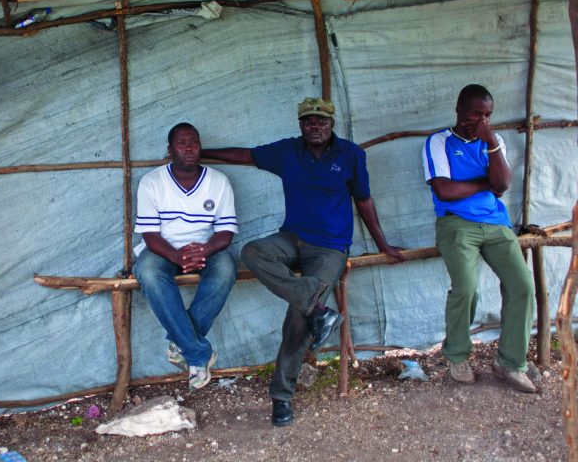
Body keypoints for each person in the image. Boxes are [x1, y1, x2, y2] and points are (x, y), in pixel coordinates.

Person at [201, 98, 403, 426]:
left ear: (331, 124)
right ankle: (317, 306)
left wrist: (383, 244)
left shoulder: (351, 155)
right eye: (309, 121)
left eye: (321, 121)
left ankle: (281, 396)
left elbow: (363, 200)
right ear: (300, 125)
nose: (315, 127)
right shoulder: (288, 151)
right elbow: (245, 155)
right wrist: (203, 154)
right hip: (292, 238)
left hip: (330, 249)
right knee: (252, 252)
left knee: (298, 316)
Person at [422, 84, 536, 393]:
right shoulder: (438, 142)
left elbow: (503, 184)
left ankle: (510, 362)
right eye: (476, 113)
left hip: (497, 224)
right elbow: (445, 190)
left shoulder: (493, 140)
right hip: (456, 225)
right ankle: (457, 356)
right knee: (467, 289)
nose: (482, 120)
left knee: (522, 286)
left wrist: (491, 146)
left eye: (487, 115)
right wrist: (486, 183)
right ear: (459, 109)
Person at [133, 122, 238, 391]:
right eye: (181, 143)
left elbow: (226, 232)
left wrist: (204, 250)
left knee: (226, 267)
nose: (188, 148)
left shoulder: (218, 181)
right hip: (163, 250)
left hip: (205, 249)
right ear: (170, 150)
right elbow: (150, 235)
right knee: (147, 272)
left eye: (193, 142)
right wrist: (177, 256)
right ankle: (198, 353)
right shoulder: (152, 182)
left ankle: (183, 345)